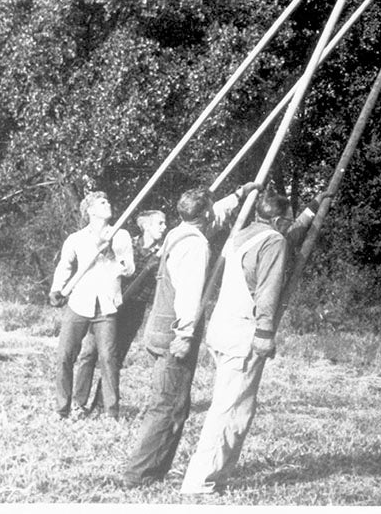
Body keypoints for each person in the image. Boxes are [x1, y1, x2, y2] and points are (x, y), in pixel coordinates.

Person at [122, 181, 259, 488]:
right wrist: (184, 334)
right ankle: (141, 474)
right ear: (204, 213)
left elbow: (215, 216)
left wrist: (239, 194)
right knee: (169, 406)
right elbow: (189, 293)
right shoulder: (195, 246)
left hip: (157, 328)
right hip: (175, 333)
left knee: (169, 403)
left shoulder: (178, 232)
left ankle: (149, 470)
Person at [179, 190, 315, 497]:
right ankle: (201, 482)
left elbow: (286, 238)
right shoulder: (273, 241)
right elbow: (267, 290)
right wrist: (265, 334)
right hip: (244, 334)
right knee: (231, 410)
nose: (288, 227)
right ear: (279, 219)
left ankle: (212, 475)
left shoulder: (243, 233)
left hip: (222, 330)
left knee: (230, 405)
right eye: (288, 220)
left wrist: (312, 210)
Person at [49, 191, 135, 419]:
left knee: (108, 358)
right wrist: (56, 289)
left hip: (107, 306)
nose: (108, 204)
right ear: (90, 211)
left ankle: (111, 412)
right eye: (102, 202)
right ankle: (62, 408)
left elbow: (130, 269)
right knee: (65, 356)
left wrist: (111, 256)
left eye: (108, 200)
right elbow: (64, 266)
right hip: (79, 303)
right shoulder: (76, 238)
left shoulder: (121, 236)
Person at [74, 208, 167, 413]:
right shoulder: (127, 242)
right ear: (146, 226)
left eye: (164, 223)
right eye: (159, 223)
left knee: (114, 357)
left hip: (134, 308)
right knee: (89, 352)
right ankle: (78, 403)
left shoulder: (163, 253)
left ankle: (101, 404)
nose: (164, 227)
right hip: (110, 302)